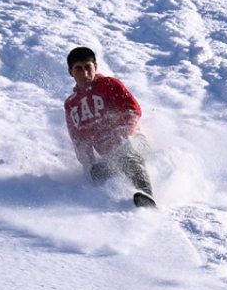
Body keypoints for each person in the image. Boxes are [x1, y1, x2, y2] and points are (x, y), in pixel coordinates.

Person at [63, 46, 157, 208]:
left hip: (135, 141)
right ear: (71, 72)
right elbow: (78, 140)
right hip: (110, 156)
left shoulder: (109, 85)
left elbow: (133, 110)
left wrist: (120, 134)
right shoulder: (71, 104)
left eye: (88, 67)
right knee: (98, 174)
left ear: (95, 67)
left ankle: (147, 197)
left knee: (127, 153)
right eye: (78, 69)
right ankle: (117, 205)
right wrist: (89, 166)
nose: (84, 73)